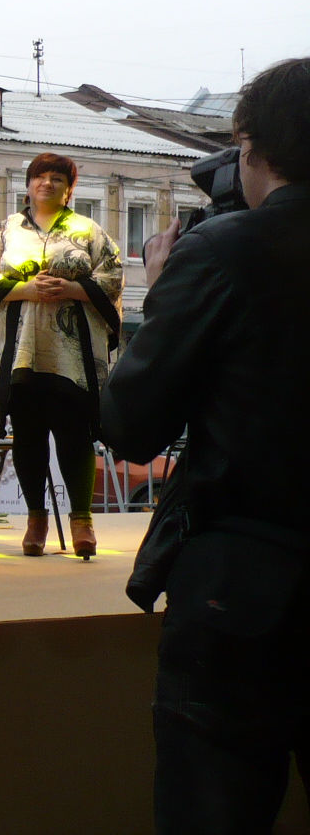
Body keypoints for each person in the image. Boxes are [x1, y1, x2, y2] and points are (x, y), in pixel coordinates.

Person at [99, 58, 310, 835]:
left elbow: (131, 426)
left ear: (252, 150)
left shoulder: (222, 251)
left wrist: (163, 291)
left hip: (245, 590)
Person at [0, 153, 122, 558]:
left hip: (70, 353)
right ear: (28, 185)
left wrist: (72, 289)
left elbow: (112, 275)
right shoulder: (7, 228)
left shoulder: (87, 230)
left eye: (58, 178)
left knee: (75, 432)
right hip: (19, 349)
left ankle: (82, 520)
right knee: (28, 434)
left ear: (68, 189)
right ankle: (36, 518)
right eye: (40, 176)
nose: (48, 183)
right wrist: (26, 290)